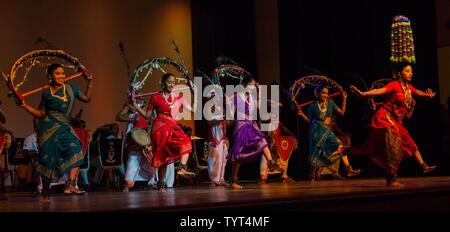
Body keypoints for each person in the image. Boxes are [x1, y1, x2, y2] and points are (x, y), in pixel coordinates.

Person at [350, 63, 436, 187]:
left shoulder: (408, 88)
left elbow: (418, 92)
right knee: (393, 148)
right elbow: (380, 91)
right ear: (399, 74)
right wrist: (364, 94)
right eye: (407, 71)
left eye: (411, 71)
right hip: (385, 117)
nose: (411, 73)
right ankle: (391, 179)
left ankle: (423, 166)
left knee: (409, 142)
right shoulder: (394, 85)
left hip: (396, 121)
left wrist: (428, 95)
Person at [16, 63, 93, 202]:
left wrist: (89, 82)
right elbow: (40, 113)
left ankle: (70, 185)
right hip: (48, 130)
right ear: (50, 76)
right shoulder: (46, 93)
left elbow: (87, 98)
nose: (61, 76)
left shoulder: (71, 89)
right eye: (57, 73)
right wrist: (25, 106)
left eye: (62, 73)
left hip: (64, 127)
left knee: (76, 148)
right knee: (47, 161)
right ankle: (46, 192)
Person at [133, 73, 195, 193]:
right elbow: (147, 115)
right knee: (164, 158)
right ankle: (161, 185)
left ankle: (182, 168)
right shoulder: (155, 97)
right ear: (163, 83)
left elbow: (193, 110)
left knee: (186, 141)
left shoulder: (178, 98)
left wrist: (195, 94)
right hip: (160, 128)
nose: (172, 84)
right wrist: (136, 105)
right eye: (169, 82)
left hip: (173, 127)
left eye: (173, 82)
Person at [297, 85, 360, 182]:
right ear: (317, 94)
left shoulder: (331, 103)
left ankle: (348, 169)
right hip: (315, 131)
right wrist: (302, 115)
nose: (325, 95)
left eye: (327, 93)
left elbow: (342, 113)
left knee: (341, 147)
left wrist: (344, 98)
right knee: (316, 152)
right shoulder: (312, 106)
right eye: (323, 92)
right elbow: (309, 120)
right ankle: (312, 175)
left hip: (327, 130)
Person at [228, 76, 280, 190]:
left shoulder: (252, 98)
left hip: (251, 125)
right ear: (244, 85)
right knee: (239, 154)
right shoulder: (236, 97)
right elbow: (231, 115)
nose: (252, 88)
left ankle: (271, 161)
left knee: (262, 141)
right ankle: (233, 180)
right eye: (250, 85)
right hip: (241, 126)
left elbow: (260, 108)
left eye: (253, 86)